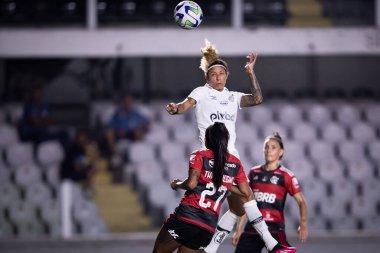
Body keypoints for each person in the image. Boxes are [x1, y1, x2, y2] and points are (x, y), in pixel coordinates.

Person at [166, 39, 295, 253]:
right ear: (207, 77)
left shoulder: (233, 97)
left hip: (230, 156)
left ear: (227, 75)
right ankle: (271, 244)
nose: (217, 78)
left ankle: (211, 247)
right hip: (211, 156)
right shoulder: (201, 92)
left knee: (237, 207)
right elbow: (184, 106)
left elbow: (257, 99)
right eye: (213, 74)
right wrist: (175, 108)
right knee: (247, 197)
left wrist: (251, 73)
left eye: (221, 74)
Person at [153, 122, 258, 252]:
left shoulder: (200, 155)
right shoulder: (235, 163)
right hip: (207, 228)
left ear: (208, 139)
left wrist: (177, 184)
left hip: (186, 218)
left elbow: (192, 183)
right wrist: (226, 183)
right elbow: (247, 194)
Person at [232, 132, 308, 253]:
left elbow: (301, 202)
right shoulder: (253, 173)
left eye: (273, 147)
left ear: (281, 152)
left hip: (275, 229)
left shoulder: (286, 176)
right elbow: (247, 202)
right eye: (266, 147)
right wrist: (239, 229)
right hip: (253, 229)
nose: (269, 150)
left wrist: (303, 223)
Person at [104, 93, 150, 157]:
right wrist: (118, 130)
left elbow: (145, 123)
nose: (127, 103)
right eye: (125, 101)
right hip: (119, 135)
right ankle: (115, 154)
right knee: (109, 133)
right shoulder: (117, 114)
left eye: (129, 101)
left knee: (138, 131)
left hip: (132, 135)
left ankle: (136, 152)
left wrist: (142, 127)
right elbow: (111, 126)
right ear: (122, 102)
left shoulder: (135, 113)